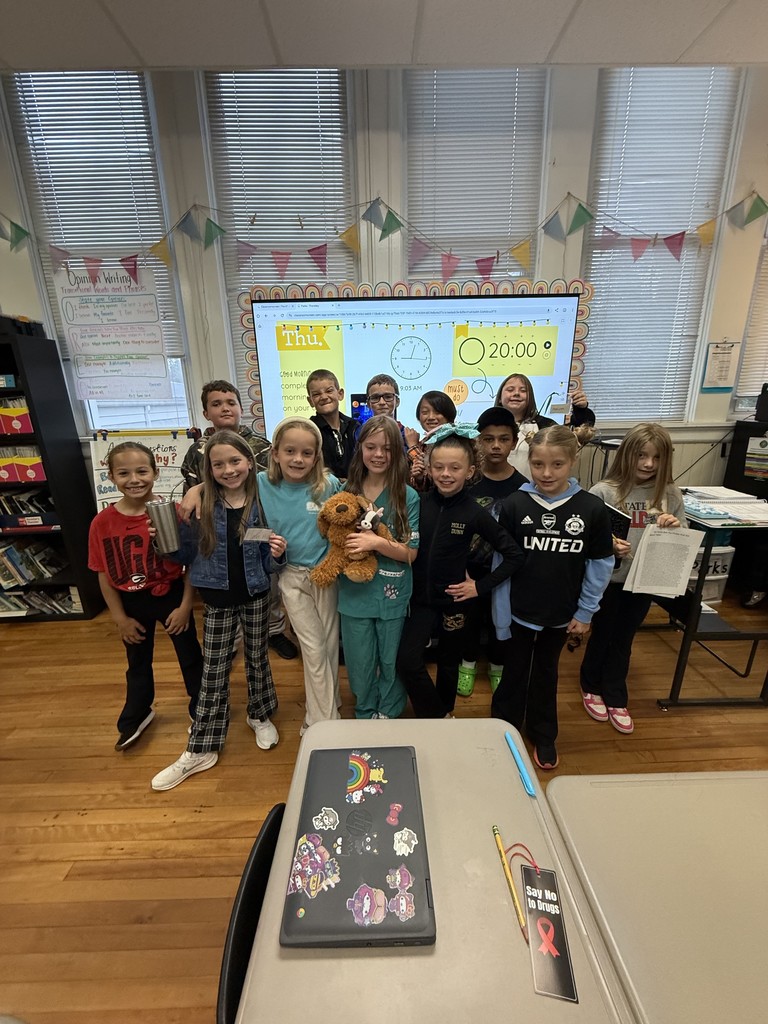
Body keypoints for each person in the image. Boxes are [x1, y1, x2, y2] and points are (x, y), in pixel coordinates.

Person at [151, 431, 286, 791]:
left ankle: (260, 713)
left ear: (249, 461)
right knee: (214, 667)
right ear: (208, 469)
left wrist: (277, 555)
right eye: (219, 464)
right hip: (216, 599)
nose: (228, 469)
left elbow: (267, 558)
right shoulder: (200, 504)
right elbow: (184, 556)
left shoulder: (262, 501)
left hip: (256, 593)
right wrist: (162, 540)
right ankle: (201, 745)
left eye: (235, 461)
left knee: (257, 657)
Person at [493, 426, 614, 771]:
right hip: (517, 612)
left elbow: (600, 564)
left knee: (546, 674)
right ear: (528, 462)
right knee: (513, 671)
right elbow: (501, 565)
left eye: (557, 465)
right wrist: (501, 617)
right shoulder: (514, 504)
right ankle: (503, 728)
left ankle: (543, 733)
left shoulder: (591, 509)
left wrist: (586, 612)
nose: (547, 473)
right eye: (538, 464)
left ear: (573, 462)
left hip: (561, 614)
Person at [396, 424, 524, 718]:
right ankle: (437, 714)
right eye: (438, 466)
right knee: (407, 661)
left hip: (456, 602)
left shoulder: (474, 512)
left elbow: (514, 555)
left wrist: (479, 587)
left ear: (469, 471)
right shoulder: (420, 503)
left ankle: (446, 713)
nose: (445, 474)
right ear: (428, 467)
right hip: (418, 601)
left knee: (448, 663)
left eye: (455, 467)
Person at [88, 442, 203, 751]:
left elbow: (191, 561)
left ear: (155, 472)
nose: (134, 479)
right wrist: (120, 618)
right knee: (137, 661)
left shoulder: (175, 513)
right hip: (130, 601)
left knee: (190, 654)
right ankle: (136, 715)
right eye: (124, 473)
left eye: (142, 471)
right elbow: (102, 572)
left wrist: (184, 606)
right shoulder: (102, 523)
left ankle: (202, 707)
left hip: (171, 595)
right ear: (111, 476)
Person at [580, 423, 686, 734]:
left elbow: (682, 538)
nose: (648, 464)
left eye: (655, 458)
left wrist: (673, 527)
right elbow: (584, 539)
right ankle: (590, 684)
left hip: (645, 580)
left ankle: (615, 694)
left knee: (624, 637)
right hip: (609, 581)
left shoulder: (670, 494)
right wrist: (608, 544)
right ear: (627, 454)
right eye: (641, 455)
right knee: (603, 633)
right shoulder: (603, 492)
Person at [181, 379, 297, 660]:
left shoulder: (261, 446)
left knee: (265, 587)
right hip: (217, 532)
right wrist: (197, 489)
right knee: (226, 586)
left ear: (241, 408)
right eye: (216, 404)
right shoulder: (198, 450)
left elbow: (275, 482)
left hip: (257, 525)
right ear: (206, 412)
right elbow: (193, 492)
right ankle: (231, 642)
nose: (224, 408)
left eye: (231, 402)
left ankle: (274, 632)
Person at [257, 417, 342, 733]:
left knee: (330, 644)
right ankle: (322, 722)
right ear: (276, 452)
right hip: (291, 578)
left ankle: (328, 703)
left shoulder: (328, 485)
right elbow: (224, 483)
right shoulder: (261, 483)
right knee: (313, 647)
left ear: (316, 456)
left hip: (326, 576)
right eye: (290, 451)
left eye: (307, 453)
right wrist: (197, 490)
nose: (298, 459)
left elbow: (355, 498)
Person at [339, 415, 420, 719]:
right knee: (359, 661)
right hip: (354, 595)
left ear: (398, 452)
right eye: (371, 447)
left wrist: (376, 543)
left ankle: (388, 711)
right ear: (360, 449)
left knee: (390, 660)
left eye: (387, 448)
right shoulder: (345, 493)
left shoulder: (407, 497)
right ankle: (365, 710)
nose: (378, 455)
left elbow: (411, 553)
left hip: (392, 594)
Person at [458, 407, 528, 697]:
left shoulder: (524, 487)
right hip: (470, 567)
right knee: (469, 619)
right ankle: (468, 664)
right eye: (488, 439)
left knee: (503, 619)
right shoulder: (469, 482)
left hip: (505, 571)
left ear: (513, 442)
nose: (496, 445)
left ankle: (498, 666)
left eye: (503, 439)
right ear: (479, 442)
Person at [494, 372, 595, 477]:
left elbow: (579, 434)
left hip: (535, 489)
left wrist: (581, 410)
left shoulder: (546, 426)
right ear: (500, 398)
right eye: (510, 390)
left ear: (531, 398)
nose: (516, 393)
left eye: (523, 390)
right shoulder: (488, 426)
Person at [306, 368, 357, 480]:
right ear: (310, 401)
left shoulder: (355, 427)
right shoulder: (308, 431)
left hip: (357, 491)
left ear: (340, 394)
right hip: (323, 492)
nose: (324, 397)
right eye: (316, 394)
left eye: (329, 391)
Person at [407, 390, 457, 489]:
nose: (431, 417)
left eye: (437, 412)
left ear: (449, 415)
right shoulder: (426, 441)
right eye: (425, 412)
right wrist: (419, 478)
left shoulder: (453, 440)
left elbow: (436, 477)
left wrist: (413, 447)